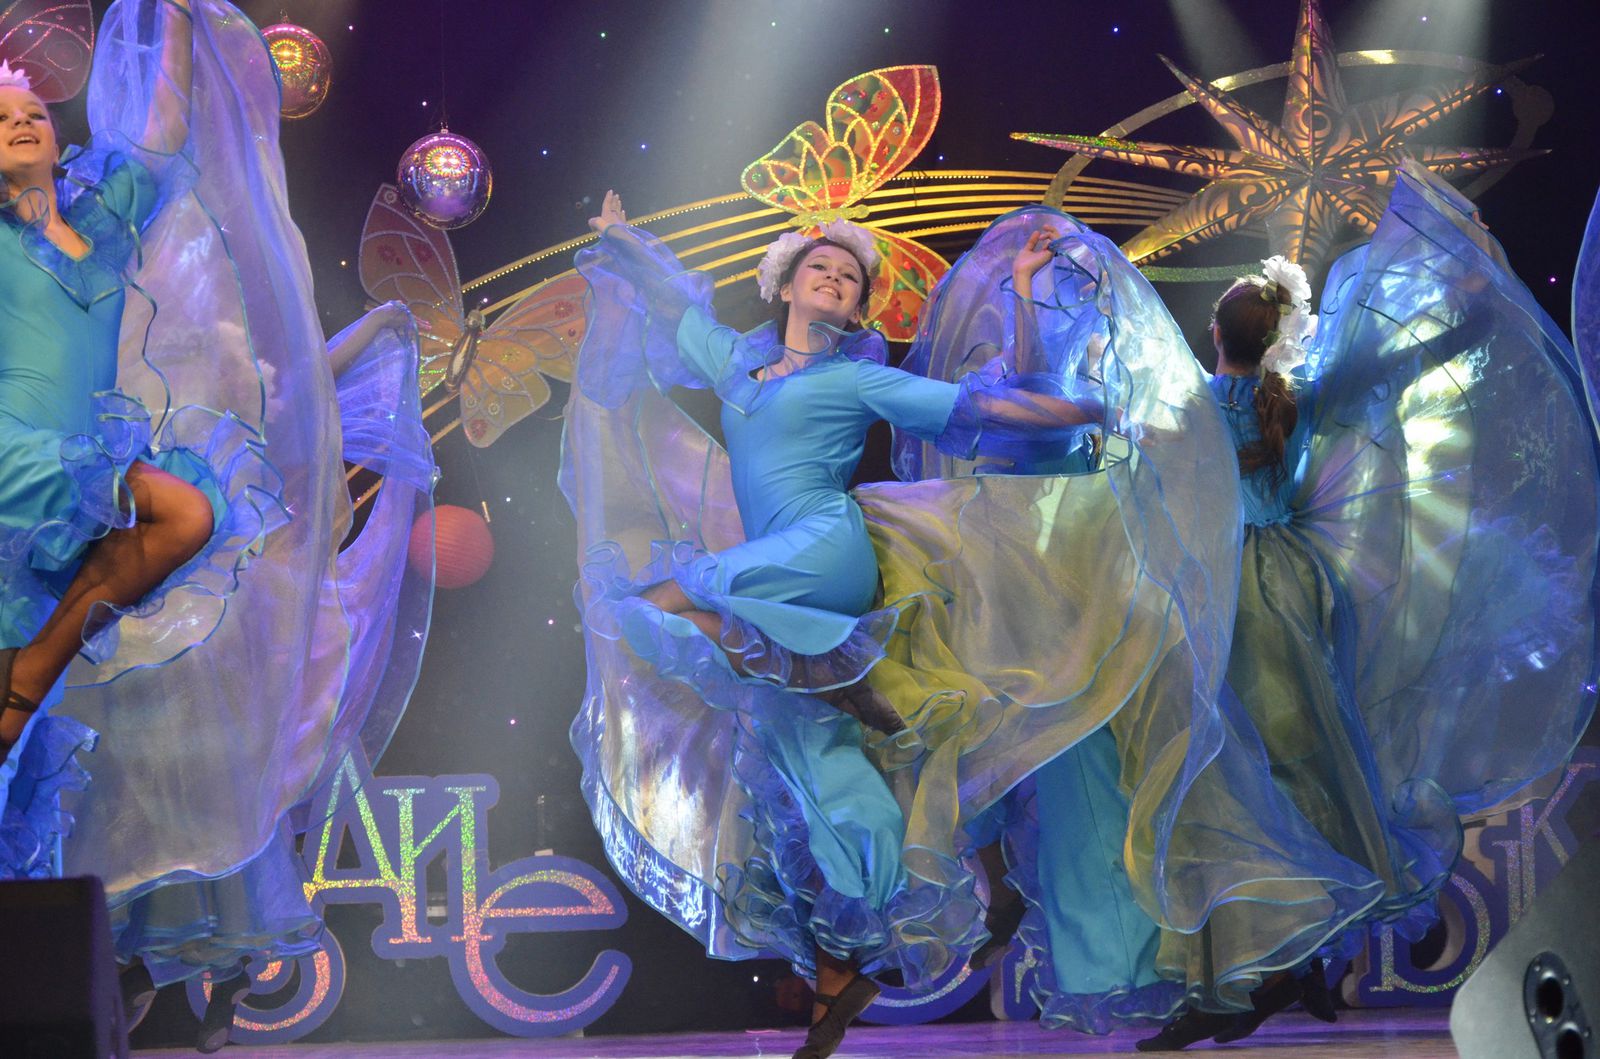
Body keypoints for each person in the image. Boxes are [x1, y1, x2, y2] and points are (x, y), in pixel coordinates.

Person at [920, 166, 1600, 1050]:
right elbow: (1413, 356)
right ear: (1280, 338)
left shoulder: (1190, 408)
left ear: (1215, 331)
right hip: (1284, 587)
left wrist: (1023, 296)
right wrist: (1468, 276)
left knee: (1235, 777)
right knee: (1297, 770)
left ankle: (1268, 962)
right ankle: (1280, 962)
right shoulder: (1281, 399)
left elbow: (1036, 400)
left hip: (1231, 597)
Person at [565, 192, 1248, 1058]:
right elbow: (674, 304)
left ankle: (848, 675)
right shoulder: (734, 365)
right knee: (811, 765)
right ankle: (840, 964)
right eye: (820, 266)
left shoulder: (856, 378)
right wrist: (624, 238)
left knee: (656, 598)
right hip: (777, 579)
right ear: (784, 286)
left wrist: (1095, 409)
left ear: (857, 310)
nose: (834, 279)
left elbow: (986, 410)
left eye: (850, 279)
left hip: (827, 551)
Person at [1, 1, 436, 1050]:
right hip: (18, 457)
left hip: (83, 481)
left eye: (32, 112)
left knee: (178, 537)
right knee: (180, 513)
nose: (20, 122)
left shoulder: (105, 221)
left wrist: (177, 15)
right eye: (0, 117)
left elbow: (160, 129)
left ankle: (88, 956)